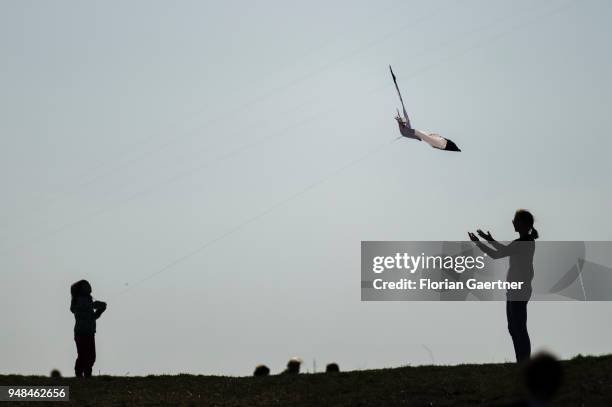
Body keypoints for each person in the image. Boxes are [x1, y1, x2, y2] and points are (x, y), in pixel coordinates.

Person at [468, 209, 538, 363]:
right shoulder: (524, 242)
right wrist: (490, 239)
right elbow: (505, 250)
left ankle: (524, 361)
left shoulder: (523, 242)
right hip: (515, 289)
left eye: (516, 220)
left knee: (518, 327)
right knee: (514, 327)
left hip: (519, 289)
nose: (513, 222)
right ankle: (522, 360)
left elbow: (496, 254)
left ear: (523, 224)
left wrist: (479, 243)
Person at [70, 280, 107, 377]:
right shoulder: (78, 299)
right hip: (81, 332)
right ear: (81, 288)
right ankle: (80, 373)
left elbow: (92, 316)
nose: (89, 286)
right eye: (86, 285)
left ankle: (86, 374)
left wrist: (100, 310)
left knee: (91, 356)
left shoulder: (88, 299)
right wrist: (96, 305)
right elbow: (77, 309)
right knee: (83, 355)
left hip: (89, 332)